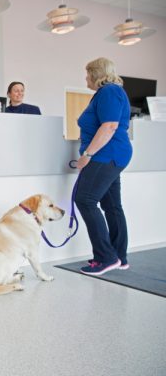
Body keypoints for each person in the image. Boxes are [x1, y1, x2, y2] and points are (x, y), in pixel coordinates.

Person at [75, 57, 133, 276]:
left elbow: (109, 126)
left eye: (87, 73)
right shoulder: (110, 92)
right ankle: (119, 257)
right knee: (112, 205)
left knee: (85, 200)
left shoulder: (109, 91)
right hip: (113, 154)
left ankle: (106, 258)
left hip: (106, 154)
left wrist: (88, 154)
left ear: (95, 73)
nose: (85, 78)